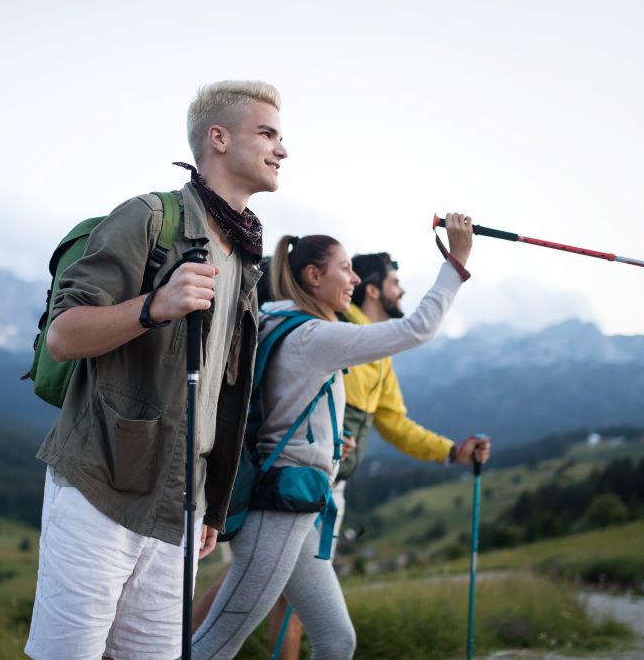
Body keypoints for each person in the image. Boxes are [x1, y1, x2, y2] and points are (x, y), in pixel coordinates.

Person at [25, 80, 288, 660]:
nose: (282, 149)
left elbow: (221, 390)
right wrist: (153, 306)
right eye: (266, 133)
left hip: (181, 505)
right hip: (100, 486)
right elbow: (65, 335)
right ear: (217, 139)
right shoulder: (149, 218)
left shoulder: (245, 258)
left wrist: (210, 502)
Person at [191, 219, 490, 659]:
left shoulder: (278, 322)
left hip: (301, 506)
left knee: (337, 639)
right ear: (314, 276)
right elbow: (418, 329)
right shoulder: (315, 336)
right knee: (216, 643)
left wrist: (331, 444)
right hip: (282, 507)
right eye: (345, 268)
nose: (353, 278)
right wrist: (456, 260)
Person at [266, 251, 492, 659]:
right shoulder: (335, 331)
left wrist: (451, 452)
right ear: (372, 290)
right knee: (274, 594)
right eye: (393, 283)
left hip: (331, 492)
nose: (401, 290)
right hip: (298, 483)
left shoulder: (379, 357)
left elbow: (395, 424)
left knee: (282, 595)